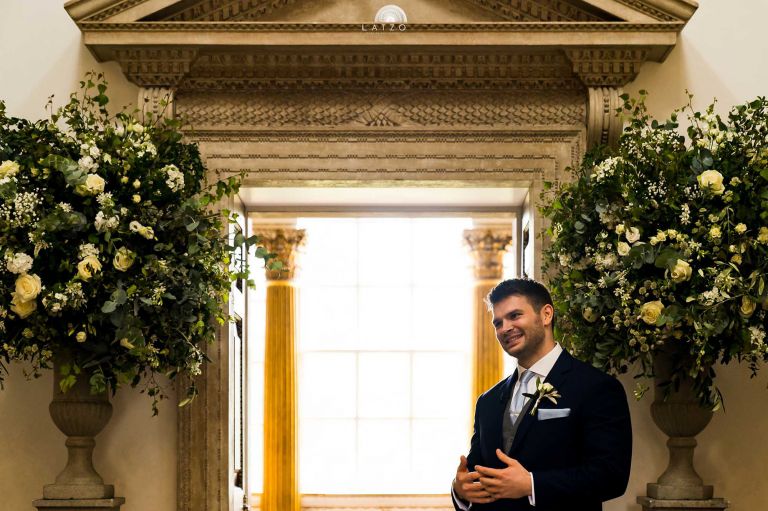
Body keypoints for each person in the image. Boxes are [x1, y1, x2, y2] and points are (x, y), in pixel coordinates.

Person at [451, 278, 632, 511]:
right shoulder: (487, 402)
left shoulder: (596, 387)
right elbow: (477, 474)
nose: (505, 328)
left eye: (515, 316)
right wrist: (460, 490)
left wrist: (532, 485)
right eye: (498, 322)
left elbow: (611, 477)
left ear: (546, 315)